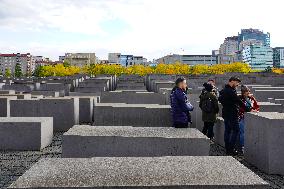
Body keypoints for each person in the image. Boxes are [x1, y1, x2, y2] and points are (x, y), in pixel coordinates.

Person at [218, 76, 247, 155]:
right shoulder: (230, 91)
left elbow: (220, 99)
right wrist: (248, 109)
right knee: (236, 130)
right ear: (232, 81)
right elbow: (238, 101)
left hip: (226, 113)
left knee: (227, 131)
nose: (237, 84)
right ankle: (230, 149)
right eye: (237, 82)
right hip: (232, 114)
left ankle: (228, 149)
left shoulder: (224, 90)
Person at [238, 85, 260, 153]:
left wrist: (255, 110)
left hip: (251, 118)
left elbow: (257, 106)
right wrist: (249, 110)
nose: (248, 93)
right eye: (246, 92)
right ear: (243, 92)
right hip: (242, 118)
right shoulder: (240, 99)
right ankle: (242, 146)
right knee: (242, 133)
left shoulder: (252, 98)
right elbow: (240, 108)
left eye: (248, 91)